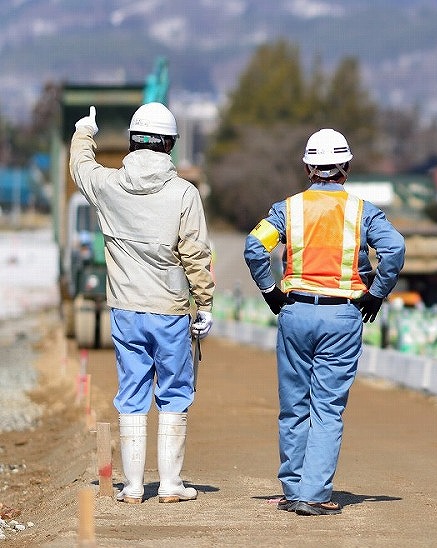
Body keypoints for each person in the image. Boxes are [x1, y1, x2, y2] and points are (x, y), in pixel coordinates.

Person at [244, 128, 405, 516]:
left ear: (308, 168)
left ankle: (293, 489)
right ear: (346, 167)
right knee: (327, 408)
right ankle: (314, 494)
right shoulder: (363, 211)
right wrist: (376, 293)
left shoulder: (287, 210)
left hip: (295, 312)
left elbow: (254, 247)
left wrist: (269, 290)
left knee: (294, 406)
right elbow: (395, 248)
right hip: (342, 315)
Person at [70, 103, 215, 504]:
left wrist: (84, 132)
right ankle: (170, 484)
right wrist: (204, 303)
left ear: (133, 141)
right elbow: (195, 254)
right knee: (175, 391)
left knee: (132, 391)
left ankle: (133, 486)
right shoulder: (184, 193)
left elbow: (80, 167)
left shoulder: (108, 185)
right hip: (169, 310)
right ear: (170, 144)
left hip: (125, 310)